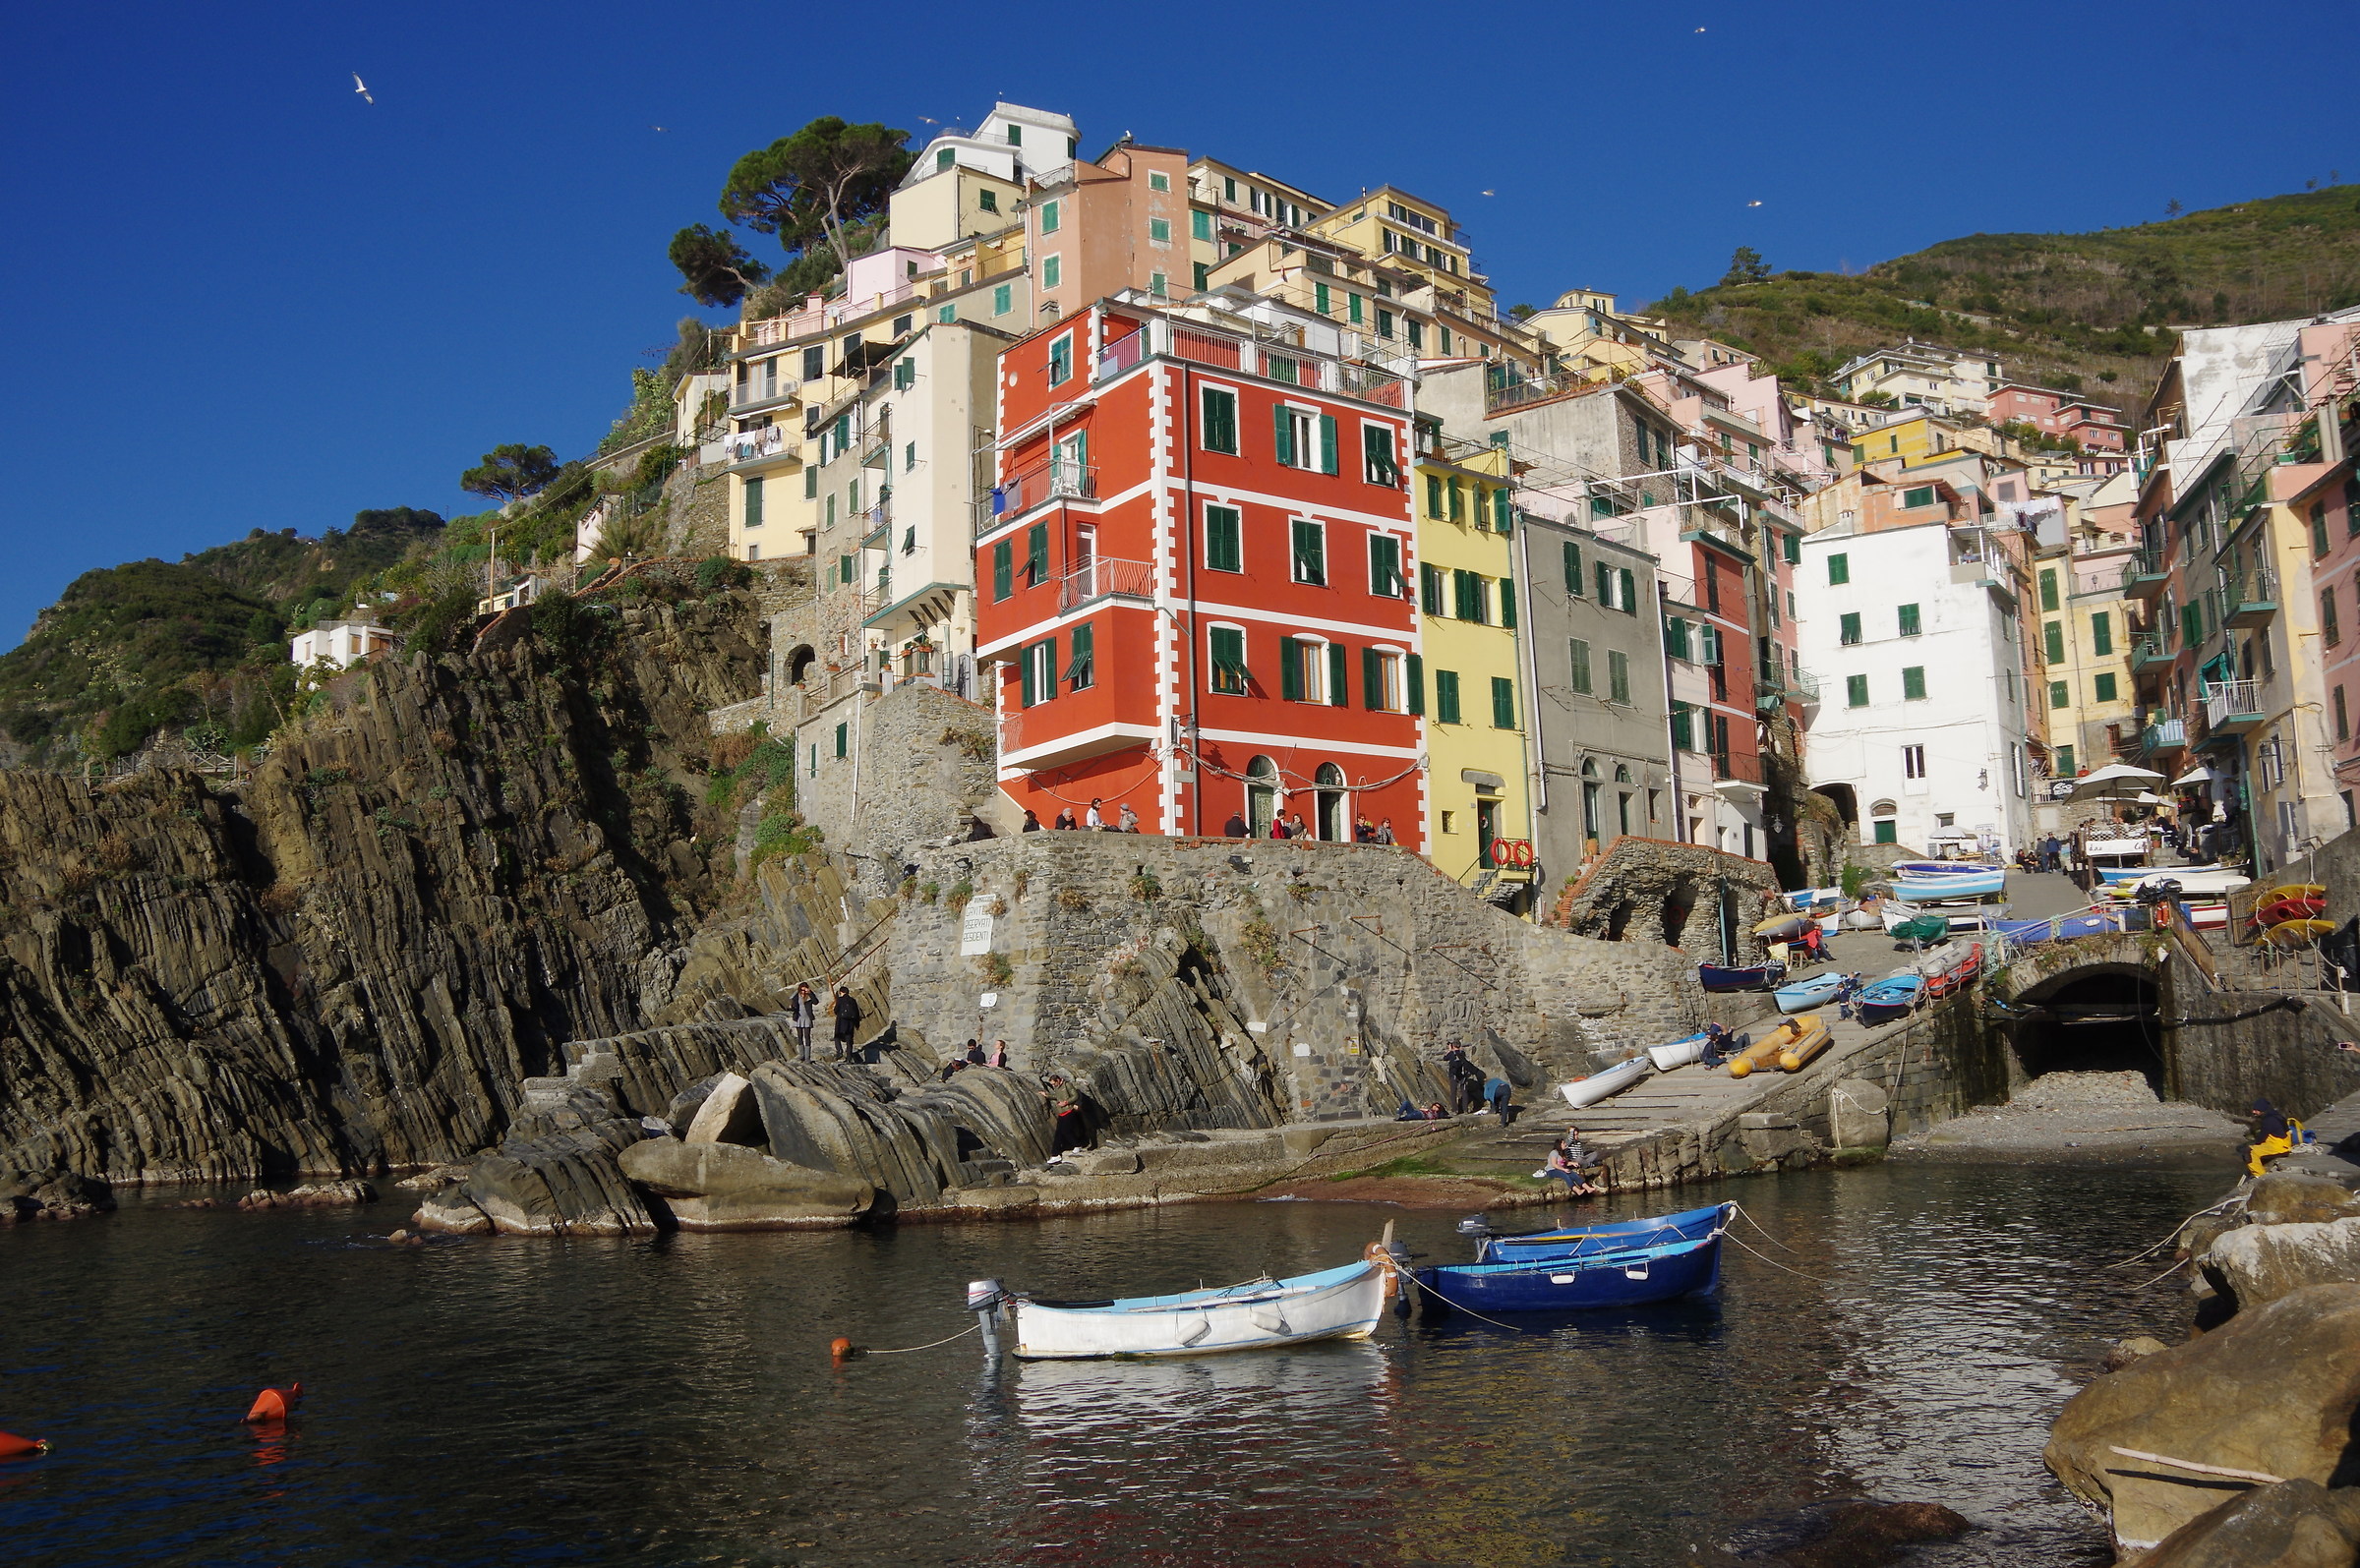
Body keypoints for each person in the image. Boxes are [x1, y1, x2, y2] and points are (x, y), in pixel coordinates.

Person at [2247, 1097, 2295, 1177]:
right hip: (2284, 1144)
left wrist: (2253, 1145)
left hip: (2279, 1147)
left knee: (2249, 1152)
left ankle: (2260, 1176)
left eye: (2256, 1110)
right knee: (2255, 1149)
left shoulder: (2268, 1120)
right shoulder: (2276, 1115)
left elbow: (2261, 1138)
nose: (2253, 1112)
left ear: (2262, 1110)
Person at [1042, 1074, 1085, 1151]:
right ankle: (1055, 1154)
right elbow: (1057, 1096)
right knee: (1059, 1133)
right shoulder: (1057, 1087)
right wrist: (1047, 1095)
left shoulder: (1067, 1085)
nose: (1053, 1085)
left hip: (1069, 1110)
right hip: (1061, 1112)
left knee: (1066, 1131)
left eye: (1053, 1083)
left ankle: (1077, 1145)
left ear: (1058, 1080)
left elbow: (1075, 1095)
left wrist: (1066, 1102)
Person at [1443, 1043, 1483, 1115]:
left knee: (1453, 1093)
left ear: (1453, 1046)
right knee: (1464, 1092)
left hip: (1454, 1075)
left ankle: (1455, 1110)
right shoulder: (1462, 1053)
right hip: (1462, 1075)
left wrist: (1450, 1050)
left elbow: (1445, 1058)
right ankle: (1465, 1110)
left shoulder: (1452, 1053)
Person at [789, 982, 819, 1062]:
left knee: (807, 1036)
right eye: (801, 989)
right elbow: (793, 1004)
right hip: (798, 1017)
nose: (803, 991)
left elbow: (816, 1002)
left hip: (807, 1018)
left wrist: (810, 993)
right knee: (800, 1036)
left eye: (804, 989)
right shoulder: (796, 996)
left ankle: (807, 1057)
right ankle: (801, 1055)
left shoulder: (809, 996)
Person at [832, 985, 862, 1062]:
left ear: (841, 992)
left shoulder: (840, 1000)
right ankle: (849, 1057)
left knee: (837, 1037)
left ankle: (839, 1051)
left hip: (841, 1021)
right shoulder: (853, 1000)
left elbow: (836, 1010)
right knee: (849, 1040)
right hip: (850, 1023)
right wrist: (857, 1024)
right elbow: (856, 1012)